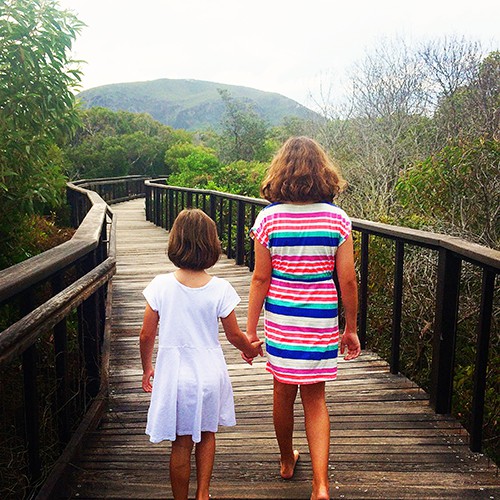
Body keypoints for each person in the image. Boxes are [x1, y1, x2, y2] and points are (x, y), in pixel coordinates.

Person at [245, 136, 360, 500]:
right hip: (321, 320)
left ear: (281, 173)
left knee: (282, 390)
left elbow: (260, 278)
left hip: (281, 319)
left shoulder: (268, 219)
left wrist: (250, 330)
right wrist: (351, 327)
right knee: (316, 398)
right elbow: (347, 280)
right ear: (322, 173)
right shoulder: (338, 220)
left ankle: (286, 460)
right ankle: (321, 485)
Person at [140, 208, 263, 500]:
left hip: (175, 377)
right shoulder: (220, 288)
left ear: (175, 242)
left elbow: (146, 335)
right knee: (207, 434)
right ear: (212, 245)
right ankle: (203, 493)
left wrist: (147, 368)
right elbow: (234, 335)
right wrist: (250, 349)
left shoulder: (160, 286)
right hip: (209, 374)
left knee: (181, 443)